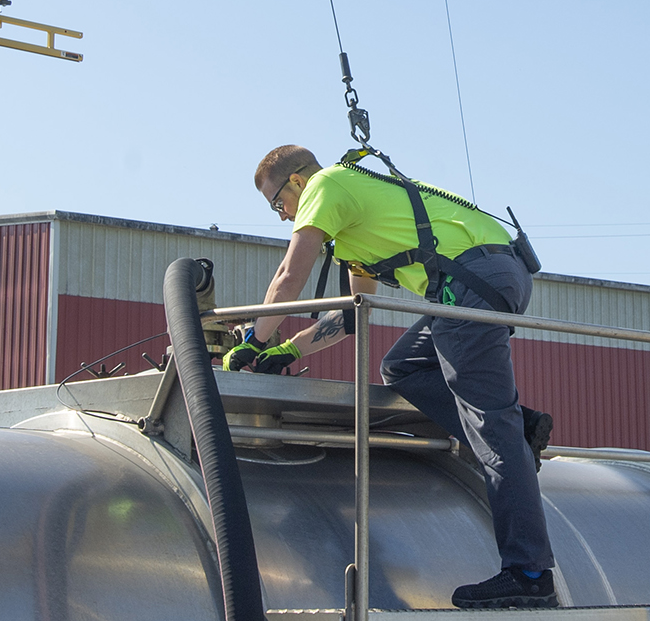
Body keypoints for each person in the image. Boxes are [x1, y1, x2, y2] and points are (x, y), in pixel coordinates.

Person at [225, 143, 556, 610]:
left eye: (278, 203)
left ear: (297, 181)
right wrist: (287, 348)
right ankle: (518, 424)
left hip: (470, 280)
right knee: (402, 366)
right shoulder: (355, 217)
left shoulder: (326, 185)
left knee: (491, 428)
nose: (282, 216)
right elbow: (356, 315)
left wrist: (255, 339)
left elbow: (288, 274)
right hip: (487, 275)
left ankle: (529, 573)